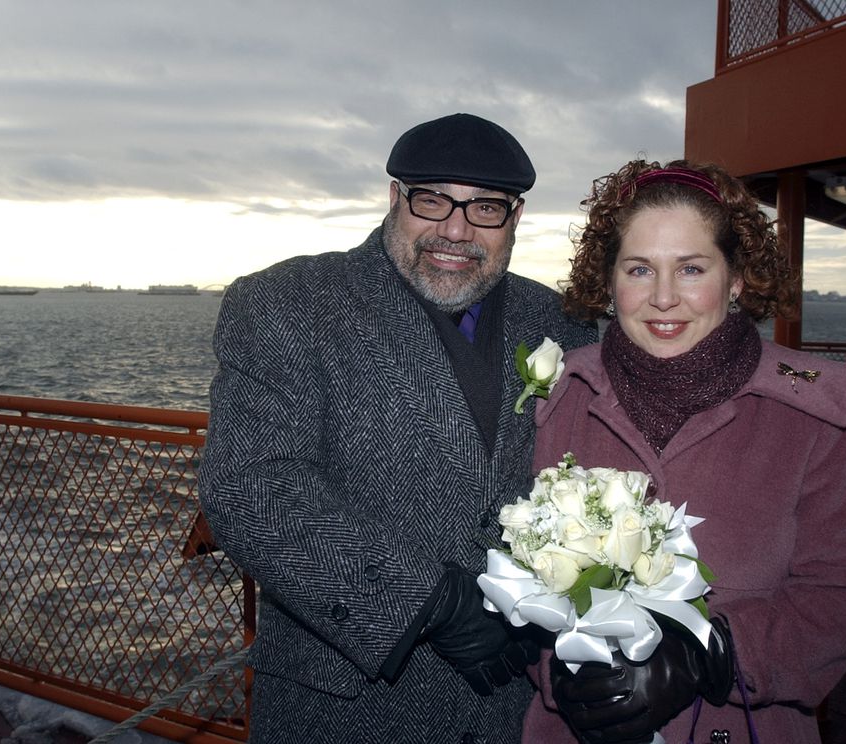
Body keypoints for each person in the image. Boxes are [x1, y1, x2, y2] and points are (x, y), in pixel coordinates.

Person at [198, 113, 599, 744]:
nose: (456, 229)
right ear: (395, 199)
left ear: (515, 218)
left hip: (518, 710)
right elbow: (251, 489)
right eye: (433, 200)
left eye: (485, 209)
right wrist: (427, 603)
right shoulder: (287, 301)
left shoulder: (560, 320)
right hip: (347, 707)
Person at [520, 159, 846, 744]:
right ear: (609, 278)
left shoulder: (818, 411)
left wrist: (711, 654)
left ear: (737, 278)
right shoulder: (558, 396)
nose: (664, 298)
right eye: (640, 268)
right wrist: (556, 667)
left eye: (691, 268)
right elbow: (516, 576)